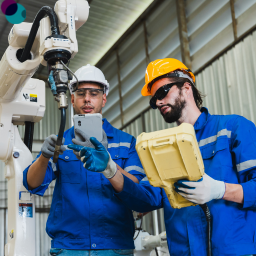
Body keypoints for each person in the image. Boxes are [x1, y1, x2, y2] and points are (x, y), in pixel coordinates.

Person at [71, 59, 256, 256]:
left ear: (186, 87)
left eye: (162, 92)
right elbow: (145, 199)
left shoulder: (232, 129)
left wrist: (220, 190)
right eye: (153, 100)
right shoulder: (163, 147)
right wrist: (111, 169)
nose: (158, 102)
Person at [23, 64, 145, 256]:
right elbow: (32, 183)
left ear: (103, 98)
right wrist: (44, 157)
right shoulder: (61, 143)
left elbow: (137, 188)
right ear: (72, 99)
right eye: (81, 93)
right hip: (70, 248)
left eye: (94, 93)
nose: (87, 99)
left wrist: (110, 166)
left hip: (114, 247)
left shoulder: (126, 143)